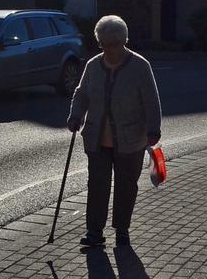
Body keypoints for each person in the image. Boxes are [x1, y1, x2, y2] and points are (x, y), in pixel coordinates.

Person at [67, 14, 161, 247]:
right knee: (97, 186)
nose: (107, 49)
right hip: (96, 138)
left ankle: (122, 230)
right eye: (103, 44)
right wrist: (75, 116)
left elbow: (151, 99)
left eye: (112, 44)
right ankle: (94, 231)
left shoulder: (139, 66)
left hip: (130, 139)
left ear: (123, 41)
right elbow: (82, 94)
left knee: (126, 186)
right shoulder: (93, 65)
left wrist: (153, 128)